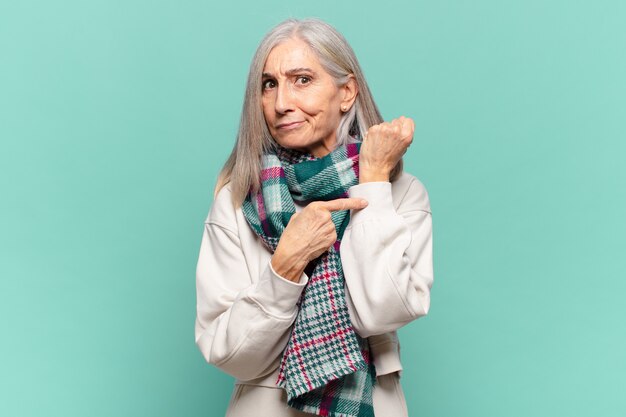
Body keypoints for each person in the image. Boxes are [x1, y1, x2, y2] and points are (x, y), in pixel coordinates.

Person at [195, 18, 433, 417]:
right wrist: (285, 265)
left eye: (301, 80)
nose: (281, 102)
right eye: (269, 84)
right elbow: (227, 353)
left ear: (346, 92)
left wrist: (372, 182)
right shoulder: (238, 199)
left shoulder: (402, 192)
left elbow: (382, 311)